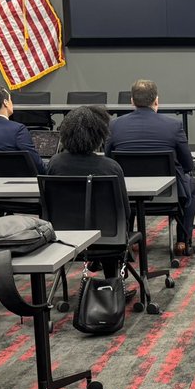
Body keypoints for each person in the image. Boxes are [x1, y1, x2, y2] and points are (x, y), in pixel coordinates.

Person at [106, 79, 195, 254]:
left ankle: (127, 236)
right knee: (191, 184)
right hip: (168, 196)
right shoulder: (173, 125)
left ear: (132, 101)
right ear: (156, 100)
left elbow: (109, 161)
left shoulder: (115, 125)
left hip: (128, 195)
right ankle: (182, 240)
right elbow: (188, 165)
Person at [49, 104, 131, 282]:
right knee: (110, 224)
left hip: (64, 238)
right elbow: (124, 211)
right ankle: (112, 281)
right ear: (100, 136)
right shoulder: (111, 167)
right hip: (108, 239)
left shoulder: (54, 164)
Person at [0, 84, 46, 175]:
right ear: (6, 102)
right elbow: (36, 164)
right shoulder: (18, 130)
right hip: (24, 185)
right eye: (10, 99)